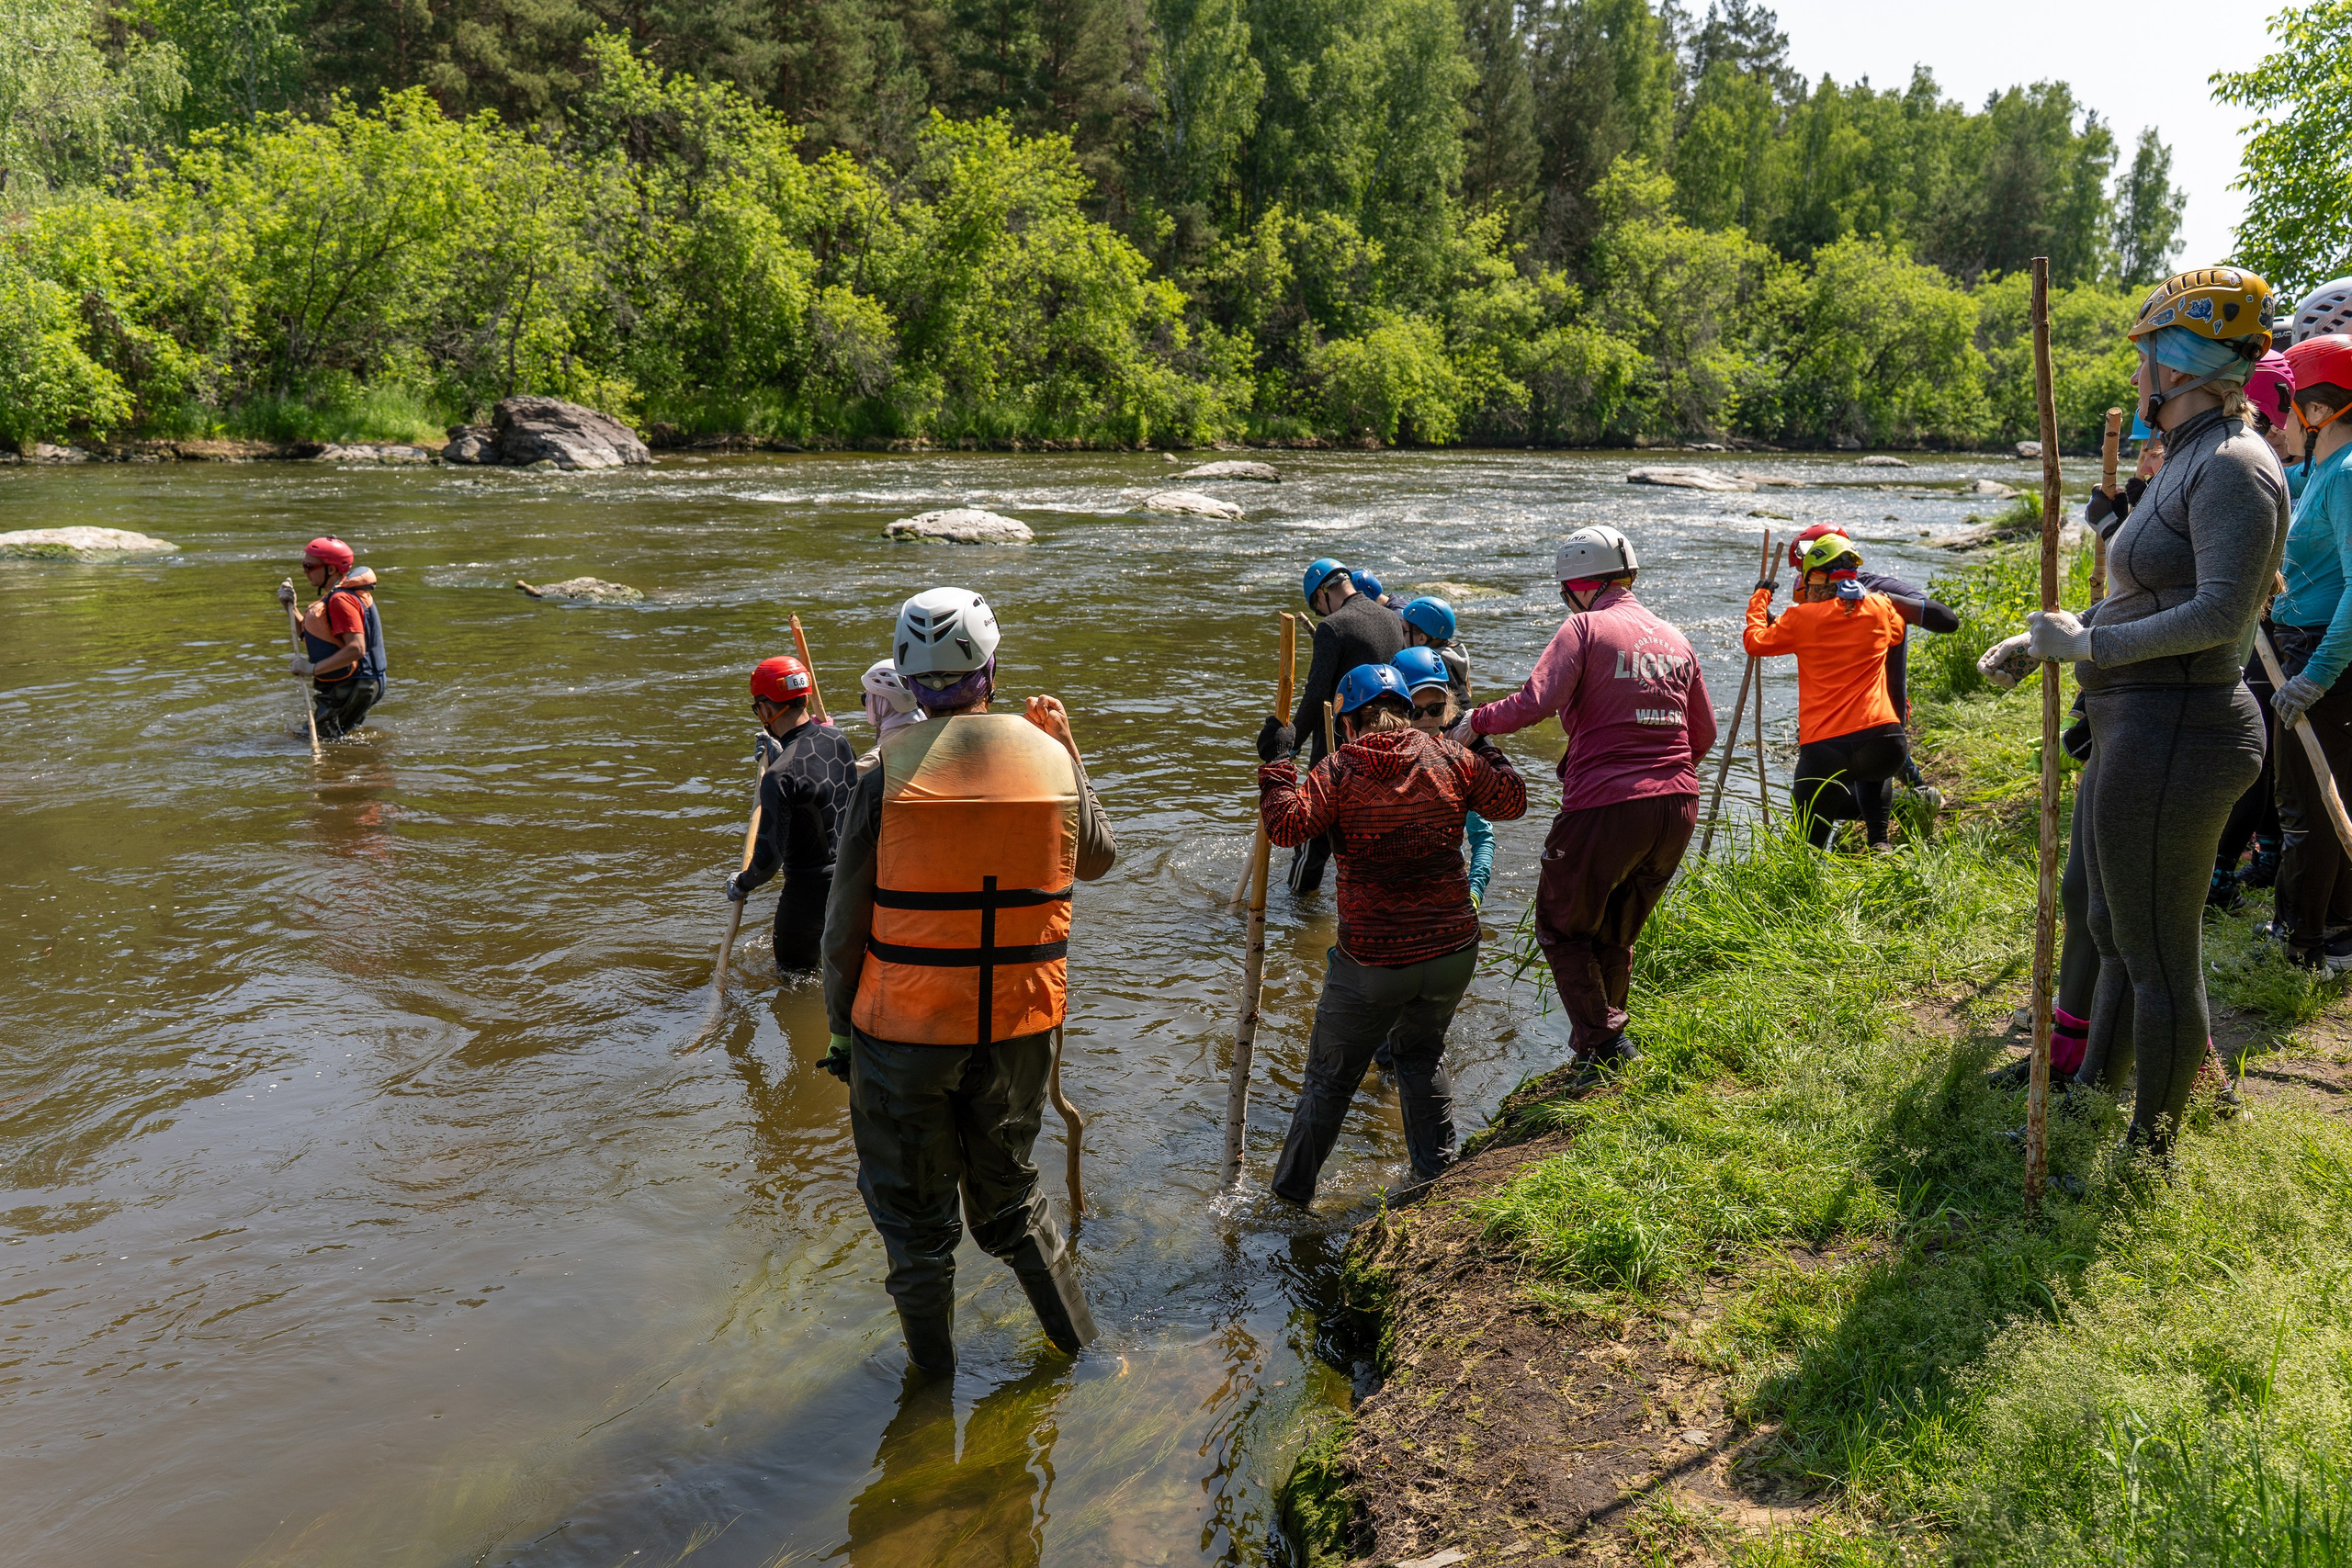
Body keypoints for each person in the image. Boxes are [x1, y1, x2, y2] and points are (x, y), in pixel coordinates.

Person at [1988, 265, 2290, 1158]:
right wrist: (2051, 633)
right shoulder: (2187, 455)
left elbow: (2219, 616)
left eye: (2146, 358)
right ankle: (2091, 1096)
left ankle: (2148, 1153)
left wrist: (2086, 650)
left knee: (2157, 955)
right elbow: (2140, 592)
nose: (2134, 378)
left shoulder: (2236, 468)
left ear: (2183, 362)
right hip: (2136, 724)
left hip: (2180, 731)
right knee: (2114, 929)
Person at [821, 588, 1116, 1374]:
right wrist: (1069, 747)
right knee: (1014, 1201)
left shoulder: (883, 772)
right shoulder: (1051, 757)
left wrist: (838, 1032)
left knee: (916, 1227)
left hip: (904, 1034)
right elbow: (1097, 857)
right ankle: (1087, 1355)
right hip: (1019, 1027)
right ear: (992, 666)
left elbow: (842, 928)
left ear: (911, 683)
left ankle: (929, 1400)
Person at [1256, 662, 1528, 1205]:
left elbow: (1285, 826)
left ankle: (1287, 1202)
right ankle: (1438, 1180)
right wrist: (1484, 740)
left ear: (1351, 724)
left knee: (1330, 1080)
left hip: (1374, 962)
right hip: (1453, 950)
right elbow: (1513, 800)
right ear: (1406, 712)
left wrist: (1278, 762)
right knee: (1422, 1053)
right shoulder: (1452, 757)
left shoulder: (1339, 769)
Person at [1456, 525, 1714, 1070]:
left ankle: (1603, 1046)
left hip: (1605, 806)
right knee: (1617, 930)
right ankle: (1606, 1044)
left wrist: (1472, 722)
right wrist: (1661, 778)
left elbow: (1535, 701)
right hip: (1678, 807)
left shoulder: (1584, 628)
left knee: (1560, 924)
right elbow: (1704, 734)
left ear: (1577, 584)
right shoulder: (1675, 637)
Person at [2260, 333, 2352, 972]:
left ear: (2317, 410)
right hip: (2298, 645)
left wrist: (2315, 677)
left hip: (2327, 658)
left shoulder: (2347, 476)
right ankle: (2313, 930)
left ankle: (2311, 943)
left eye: (2284, 405)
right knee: (2299, 798)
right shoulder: (2319, 468)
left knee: (2311, 804)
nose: (2274, 420)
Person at [1742, 534, 1910, 850]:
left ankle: (1806, 881)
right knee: (1870, 775)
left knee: (1805, 845)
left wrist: (1759, 598)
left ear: (1817, 578)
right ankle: (1879, 842)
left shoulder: (1801, 618)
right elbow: (1894, 633)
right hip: (1886, 743)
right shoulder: (1879, 606)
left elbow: (1755, 641)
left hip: (1827, 747)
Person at [1785, 523, 1957, 812]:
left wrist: (1883, 603)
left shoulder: (1877, 590)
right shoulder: (1809, 592)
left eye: (1805, 571)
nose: (1805, 583)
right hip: (1836, 716)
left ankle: (1915, 802)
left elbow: (1946, 620)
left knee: (1832, 796)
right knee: (1835, 790)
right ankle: (1918, 797)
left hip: (1881, 708)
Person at [1283, 558, 1407, 894]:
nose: (1320, 613)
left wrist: (1290, 743)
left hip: (1339, 743)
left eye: (1316, 606)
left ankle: (1298, 911)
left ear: (1323, 594)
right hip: (1390, 743)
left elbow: (1316, 695)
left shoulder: (1333, 627)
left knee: (1314, 835)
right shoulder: (1392, 619)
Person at [728, 655, 856, 973]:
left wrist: (742, 883)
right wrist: (779, 752)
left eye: (758, 708)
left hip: (806, 902)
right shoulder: (839, 740)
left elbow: (769, 860)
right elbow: (820, 787)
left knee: (793, 988)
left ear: (767, 710)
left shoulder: (779, 777)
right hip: (852, 888)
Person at [1396, 648, 1495, 908]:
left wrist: (1473, 893)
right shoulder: (1379, 759)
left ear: (1447, 707)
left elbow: (1482, 836)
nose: (1426, 719)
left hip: (1447, 899)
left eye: (1435, 708)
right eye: (1415, 713)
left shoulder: (1462, 760)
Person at [279, 536, 385, 739]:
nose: (305, 571)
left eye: (310, 566)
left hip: (356, 685)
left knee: (316, 739)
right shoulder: (337, 595)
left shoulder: (340, 601)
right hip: (351, 683)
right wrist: (289, 607)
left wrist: (311, 669)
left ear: (331, 569)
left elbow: (356, 648)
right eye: (303, 565)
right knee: (331, 737)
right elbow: (312, 636)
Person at [1399, 595, 1473, 710]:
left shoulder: (1434, 663)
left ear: (1422, 639)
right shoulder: (1452, 655)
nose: (1401, 635)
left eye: (1404, 631)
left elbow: (1462, 706)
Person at [856, 656, 925, 770]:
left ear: (882, 703)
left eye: (866, 698)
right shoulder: (932, 737)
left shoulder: (874, 761)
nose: (864, 706)